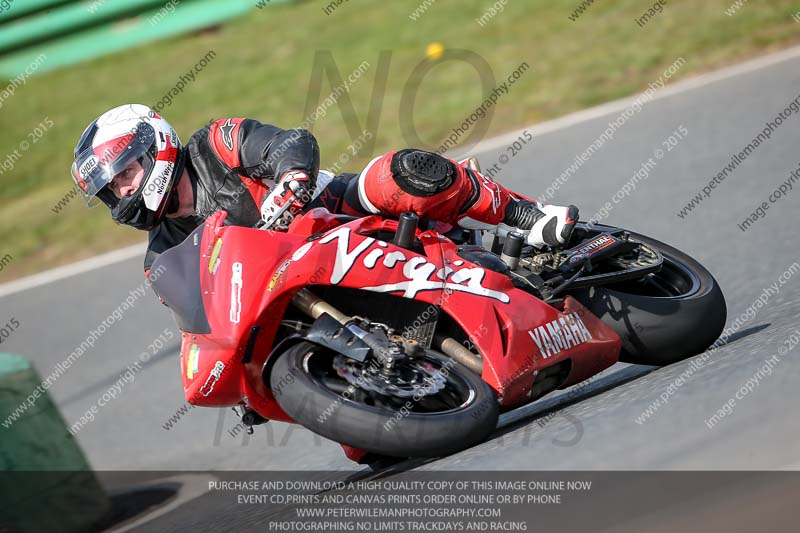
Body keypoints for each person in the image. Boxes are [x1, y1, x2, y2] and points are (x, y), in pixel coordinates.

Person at [71, 104, 578, 276]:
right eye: (111, 188)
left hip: (338, 212)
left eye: (124, 173)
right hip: (293, 284)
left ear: (153, 149)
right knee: (365, 447)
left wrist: (291, 180)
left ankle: (528, 218)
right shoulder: (161, 256)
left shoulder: (216, 144)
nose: (122, 191)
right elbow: (199, 316)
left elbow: (291, 143)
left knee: (401, 174)